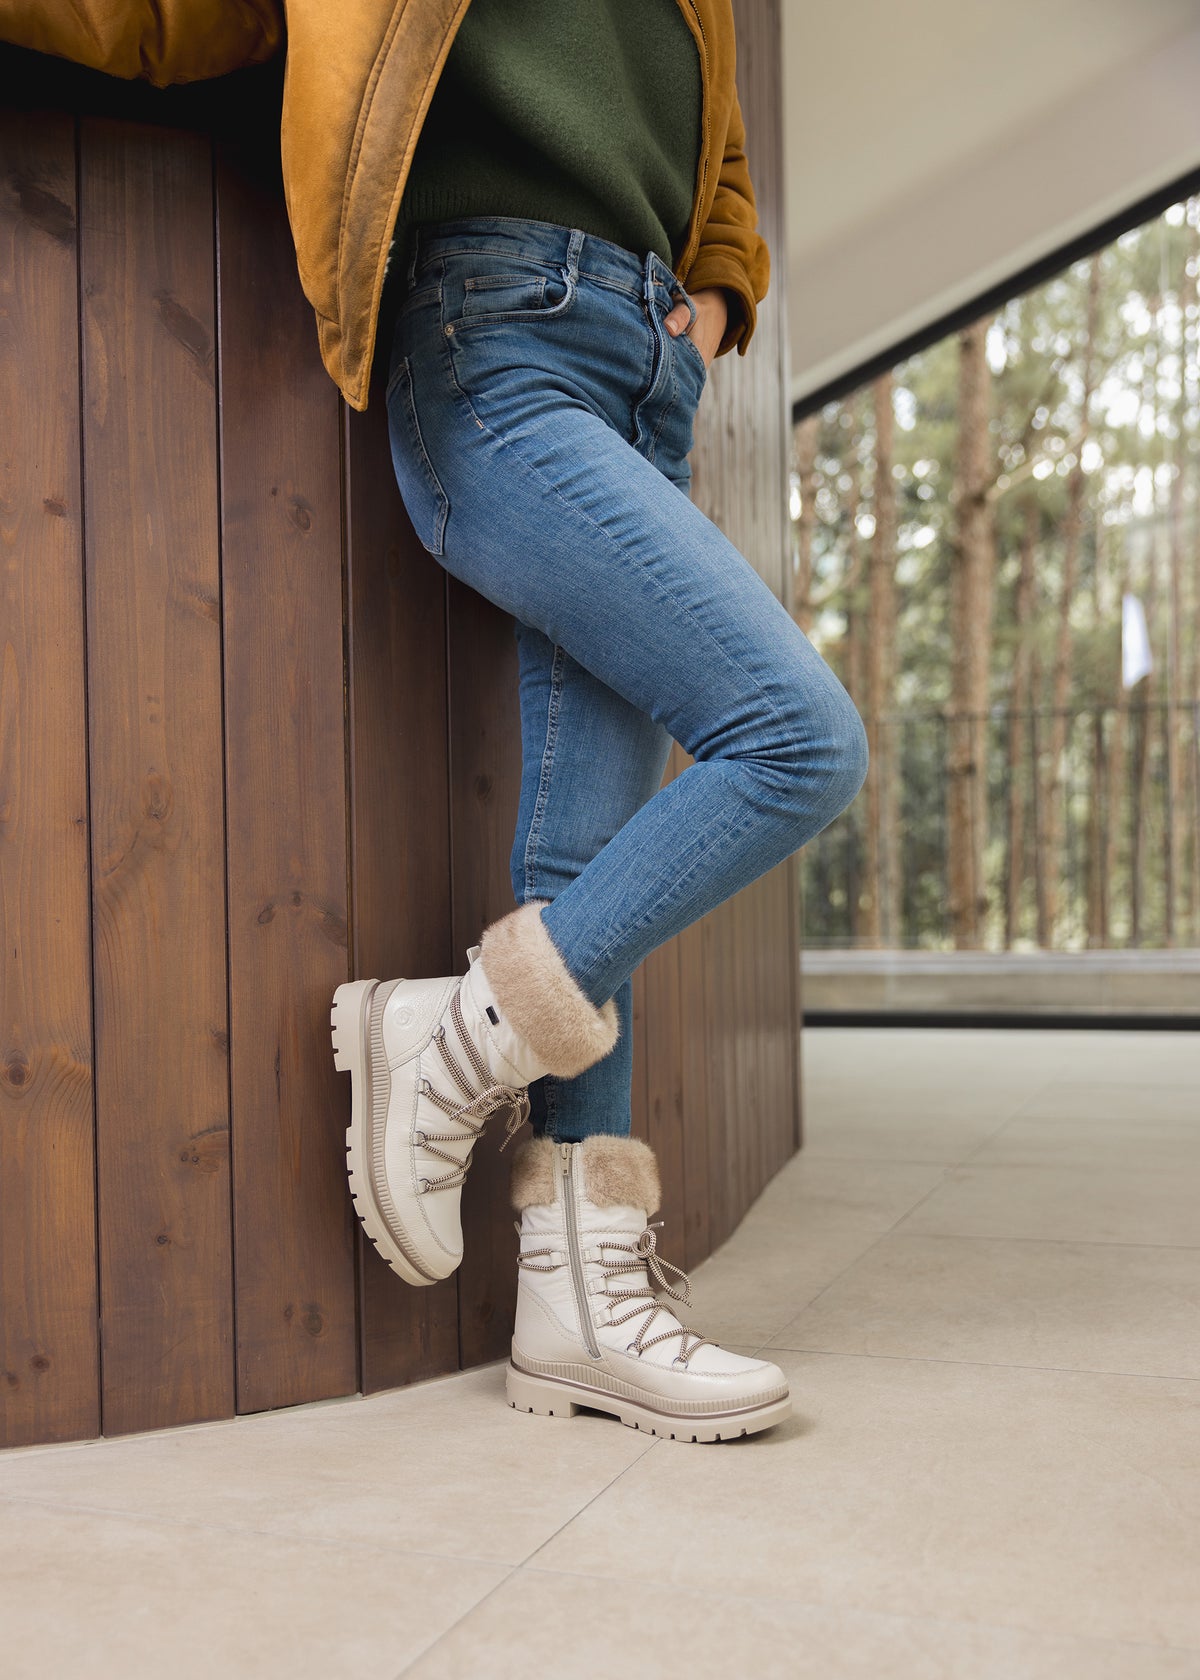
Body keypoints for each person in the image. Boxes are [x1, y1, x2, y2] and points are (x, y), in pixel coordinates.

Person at [330, 0, 868, 1444]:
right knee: (800, 739)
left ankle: (575, 1310)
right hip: (491, 329)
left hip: (651, 368)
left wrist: (717, 302)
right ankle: (452, 1043)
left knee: (593, 854)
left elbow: (720, 156)